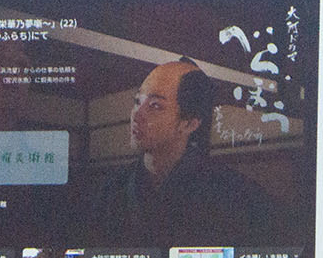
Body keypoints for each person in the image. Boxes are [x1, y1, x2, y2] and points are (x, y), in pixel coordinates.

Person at [84, 60, 280, 247]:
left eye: (155, 106)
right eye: (137, 101)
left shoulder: (235, 195)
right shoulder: (110, 190)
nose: (137, 114)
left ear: (189, 124)